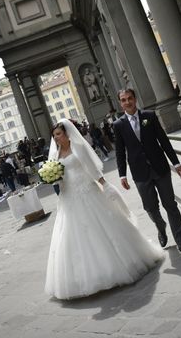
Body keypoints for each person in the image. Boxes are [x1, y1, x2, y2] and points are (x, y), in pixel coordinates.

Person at [44, 119, 163, 300]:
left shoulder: (78, 147)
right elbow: (59, 175)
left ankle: (122, 265)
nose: (56, 139)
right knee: (73, 234)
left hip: (87, 188)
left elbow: (91, 168)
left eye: (58, 134)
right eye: (54, 136)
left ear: (67, 133)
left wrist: (104, 185)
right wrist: (53, 178)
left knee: (103, 226)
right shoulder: (56, 154)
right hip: (69, 195)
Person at [113, 88, 181, 256]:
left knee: (170, 205)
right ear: (120, 103)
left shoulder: (149, 116)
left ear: (135, 99)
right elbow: (120, 152)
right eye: (123, 100)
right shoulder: (118, 125)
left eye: (129, 98)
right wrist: (122, 174)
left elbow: (163, 141)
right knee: (150, 208)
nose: (127, 102)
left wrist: (176, 163)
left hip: (160, 168)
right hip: (140, 173)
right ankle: (161, 227)